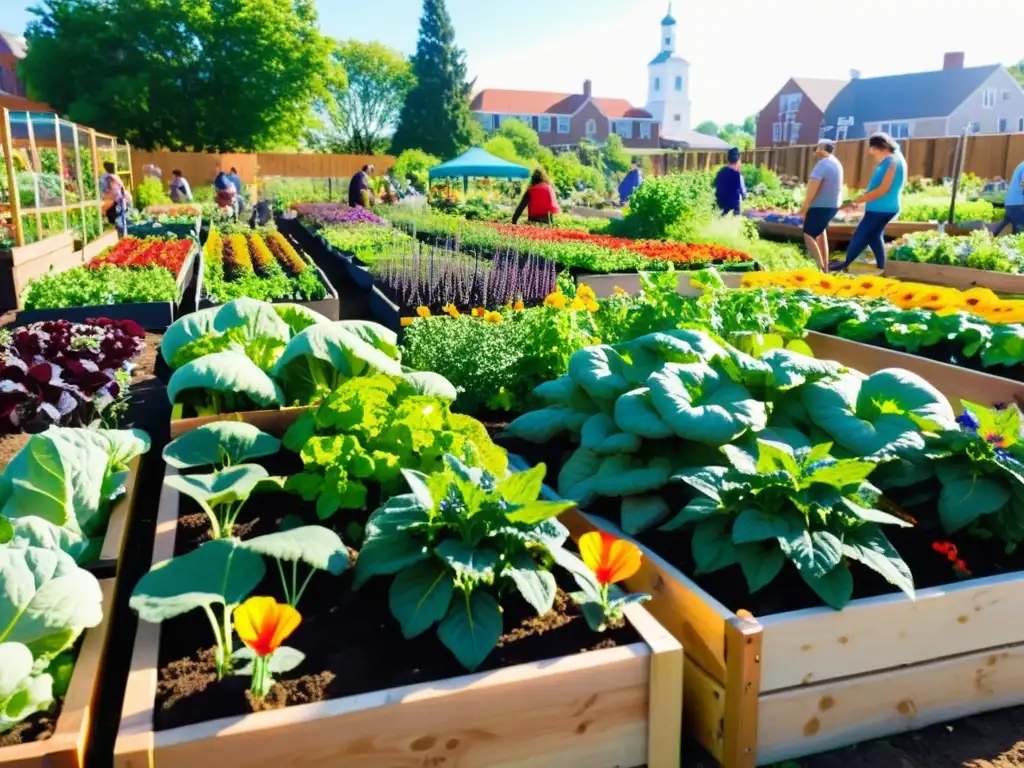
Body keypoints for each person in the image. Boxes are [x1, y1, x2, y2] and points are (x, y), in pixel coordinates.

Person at [830, 132, 907, 272]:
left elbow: (883, 189)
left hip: (882, 208)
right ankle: (882, 267)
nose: (871, 153)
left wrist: (858, 200)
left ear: (879, 147)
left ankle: (845, 264)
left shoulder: (892, 161)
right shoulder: (894, 159)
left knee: (860, 235)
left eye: (872, 149)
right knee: (874, 236)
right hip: (881, 207)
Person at [799, 140, 844, 271]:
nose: (815, 150)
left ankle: (820, 268)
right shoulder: (836, 162)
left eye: (817, 147)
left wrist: (804, 207)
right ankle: (826, 268)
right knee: (820, 232)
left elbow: (813, 188)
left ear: (822, 148)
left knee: (808, 235)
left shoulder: (823, 164)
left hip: (820, 205)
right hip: (833, 205)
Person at [994, 158, 1024, 236]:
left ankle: (989, 236)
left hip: (1011, 203)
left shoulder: (1022, 164)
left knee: (1006, 228)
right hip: (1019, 204)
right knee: (1019, 233)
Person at [100, 162, 130, 236]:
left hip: (117, 203)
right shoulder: (111, 178)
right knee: (121, 222)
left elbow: (113, 192)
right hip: (117, 203)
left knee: (120, 223)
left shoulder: (110, 178)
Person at [714, 148, 746, 216]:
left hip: (720, 203)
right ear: (738, 160)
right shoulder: (738, 175)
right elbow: (742, 191)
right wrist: (744, 196)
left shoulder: (721, 171)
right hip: (733, 206)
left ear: (728, 159)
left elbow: (715, 184)